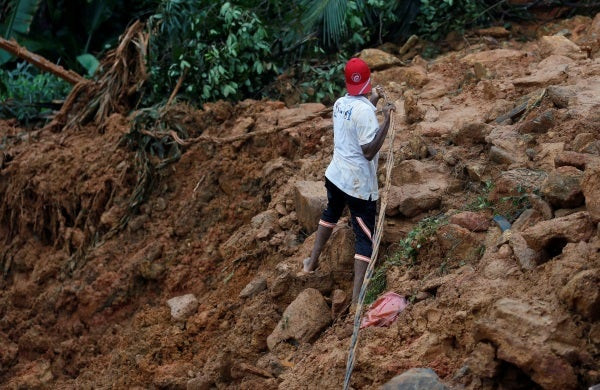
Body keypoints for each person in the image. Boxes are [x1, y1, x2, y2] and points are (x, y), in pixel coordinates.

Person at [302, 57, 396, 304]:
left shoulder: (340, 103)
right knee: (365, 238)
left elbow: (359, 114)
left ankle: (311, 263)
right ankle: (357, 300)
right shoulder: (365, 111)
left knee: (331, 212)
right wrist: (386, 120)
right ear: (369, 80)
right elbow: (368, 151)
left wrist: (374, 100)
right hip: (357, 186)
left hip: (336, 176)